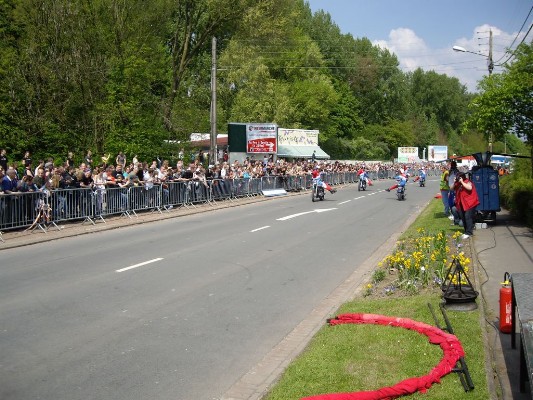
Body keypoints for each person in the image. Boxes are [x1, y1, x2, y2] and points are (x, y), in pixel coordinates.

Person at [453, 171, 479, 240]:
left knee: (468, 217)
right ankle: (466, 231)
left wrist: (462, 182)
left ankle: (469, 232)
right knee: (463, 217)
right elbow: (451, 188)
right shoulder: (458, 183)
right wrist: (455, 182)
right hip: (462, 203)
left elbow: (469, 188)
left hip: (470, 203)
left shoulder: (467, 181)